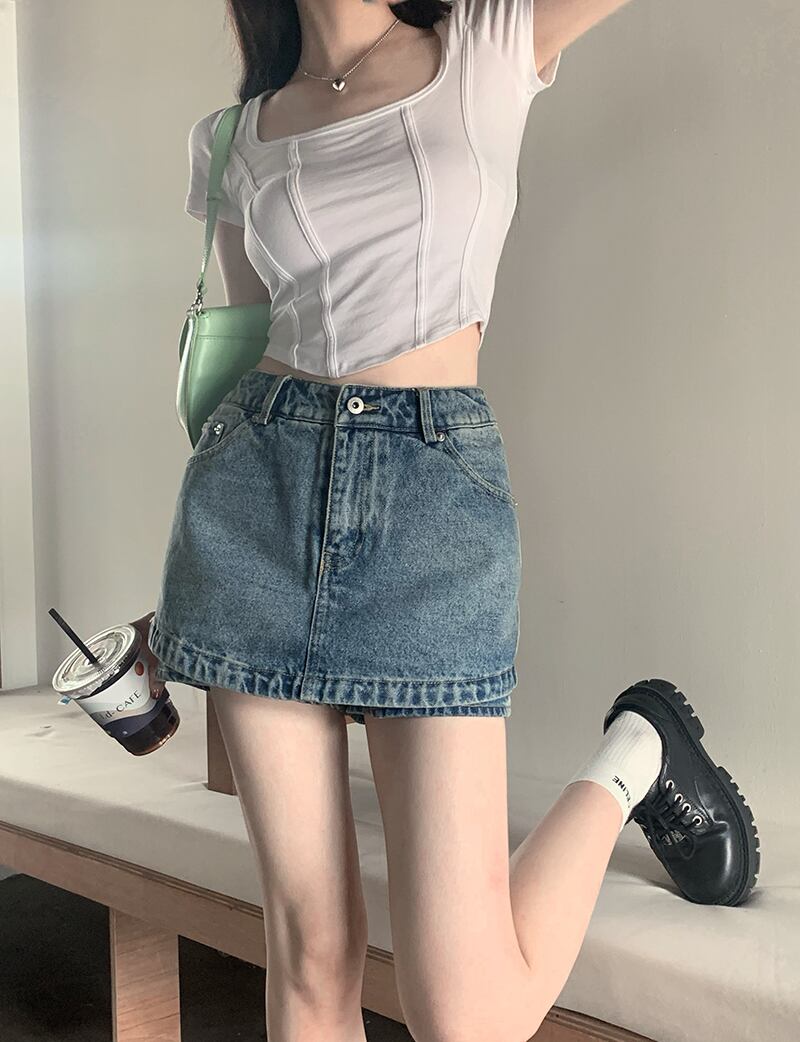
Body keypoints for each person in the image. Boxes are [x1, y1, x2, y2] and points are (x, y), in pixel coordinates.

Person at [135, 2, 761, 1039]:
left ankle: (637, 754)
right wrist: (184, 598)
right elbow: (244, 348)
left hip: (429, 503)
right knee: (310, 955)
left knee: (465, 1014)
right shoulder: (233, 136)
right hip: (250, 508)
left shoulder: (486, 44)